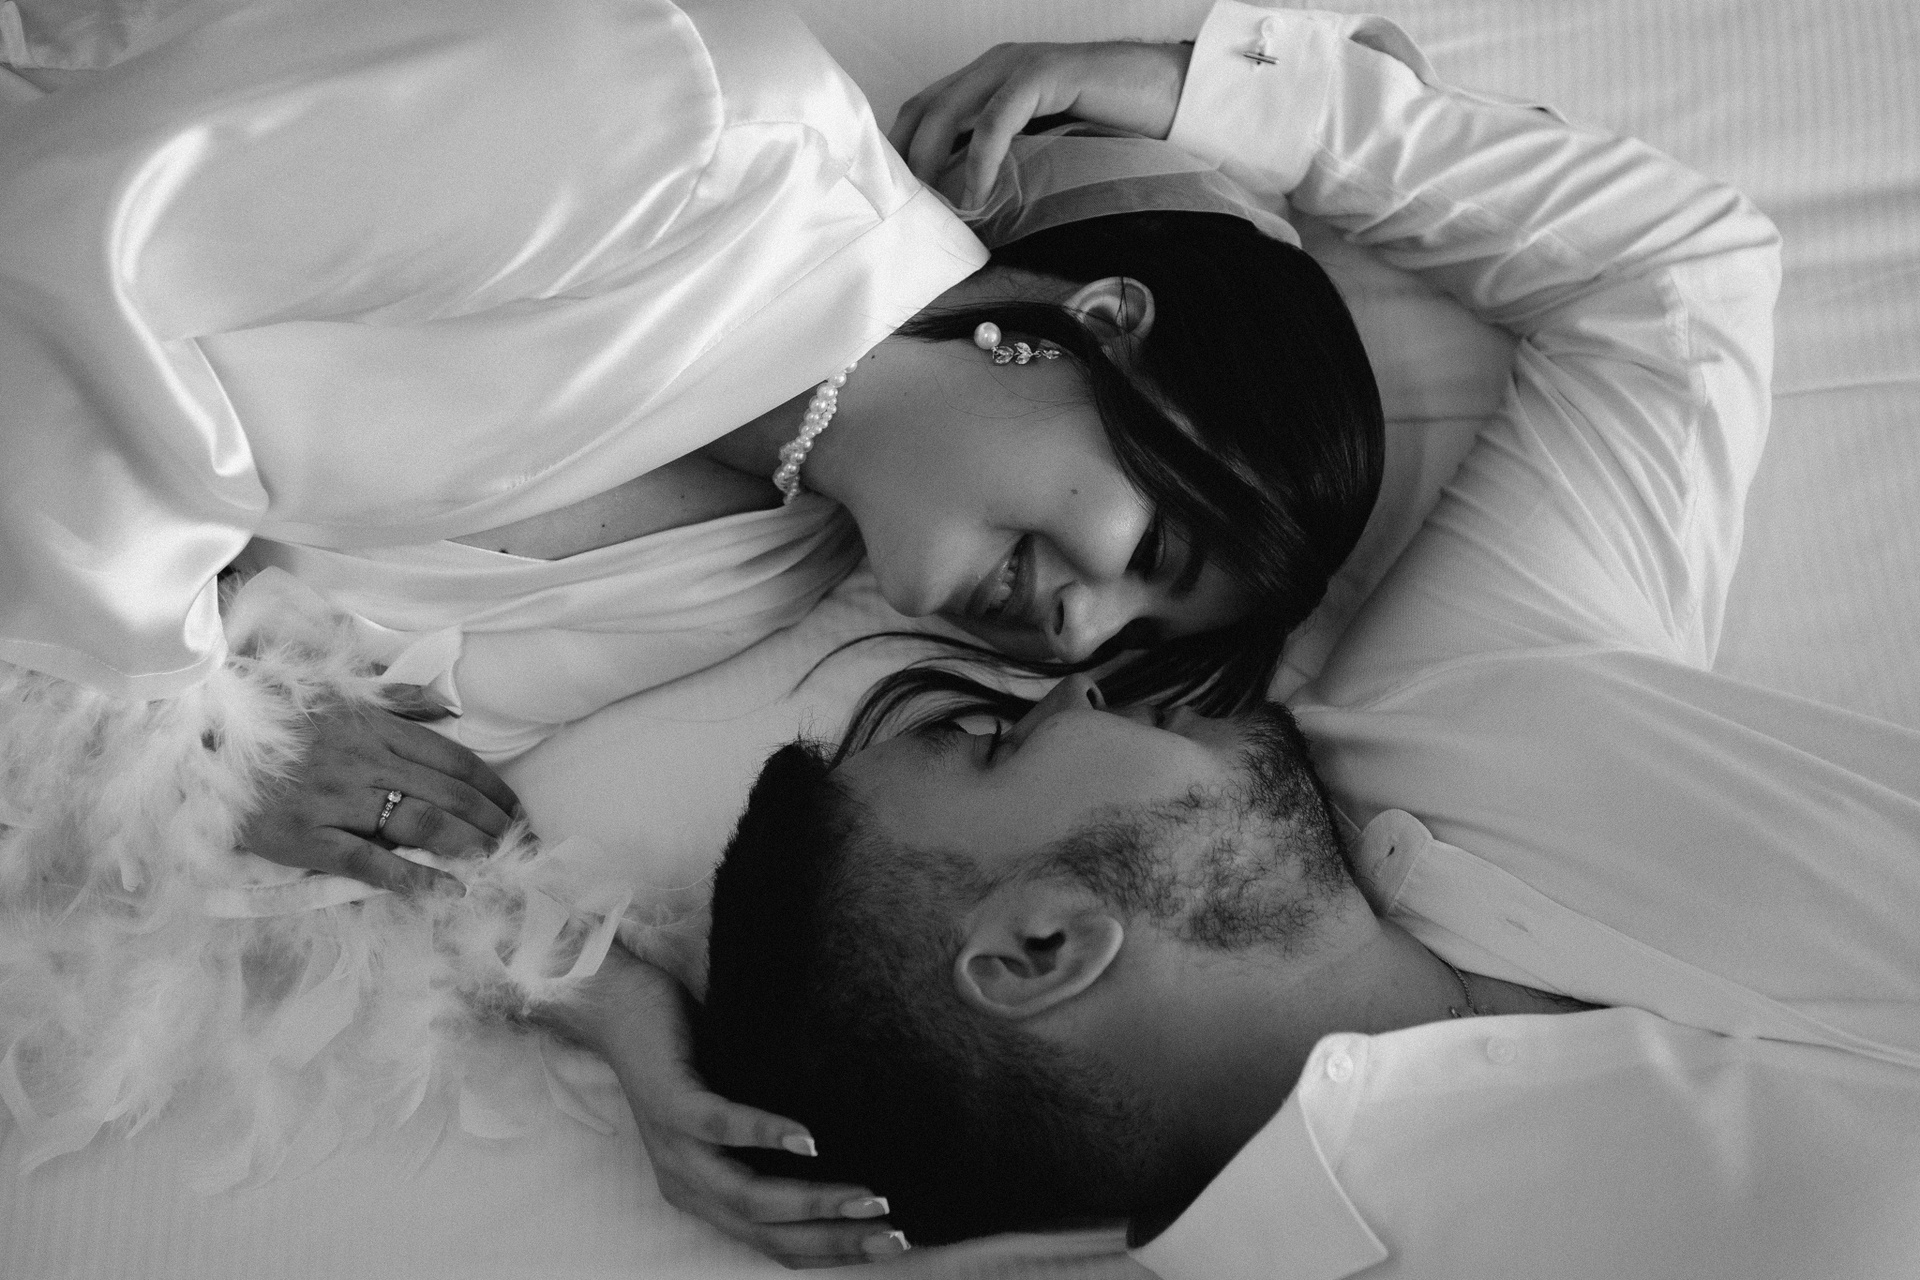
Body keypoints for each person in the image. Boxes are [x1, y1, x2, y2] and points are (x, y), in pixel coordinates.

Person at [641, 4, 1920, 1270]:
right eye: (1000, 739)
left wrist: (1217, 91)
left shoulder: (1446, 704)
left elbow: (1671, 281)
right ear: (1045, 941)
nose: (1077, 675)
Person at [0, 0, 1379, 898]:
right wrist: (174, 715)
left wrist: (610, 1009)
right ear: (1109, 326)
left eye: (1131, 641)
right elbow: (59, 251)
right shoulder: (717, 132)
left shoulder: (759, 575)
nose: (1079, 633)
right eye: (1155, 549)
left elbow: (362, 768)